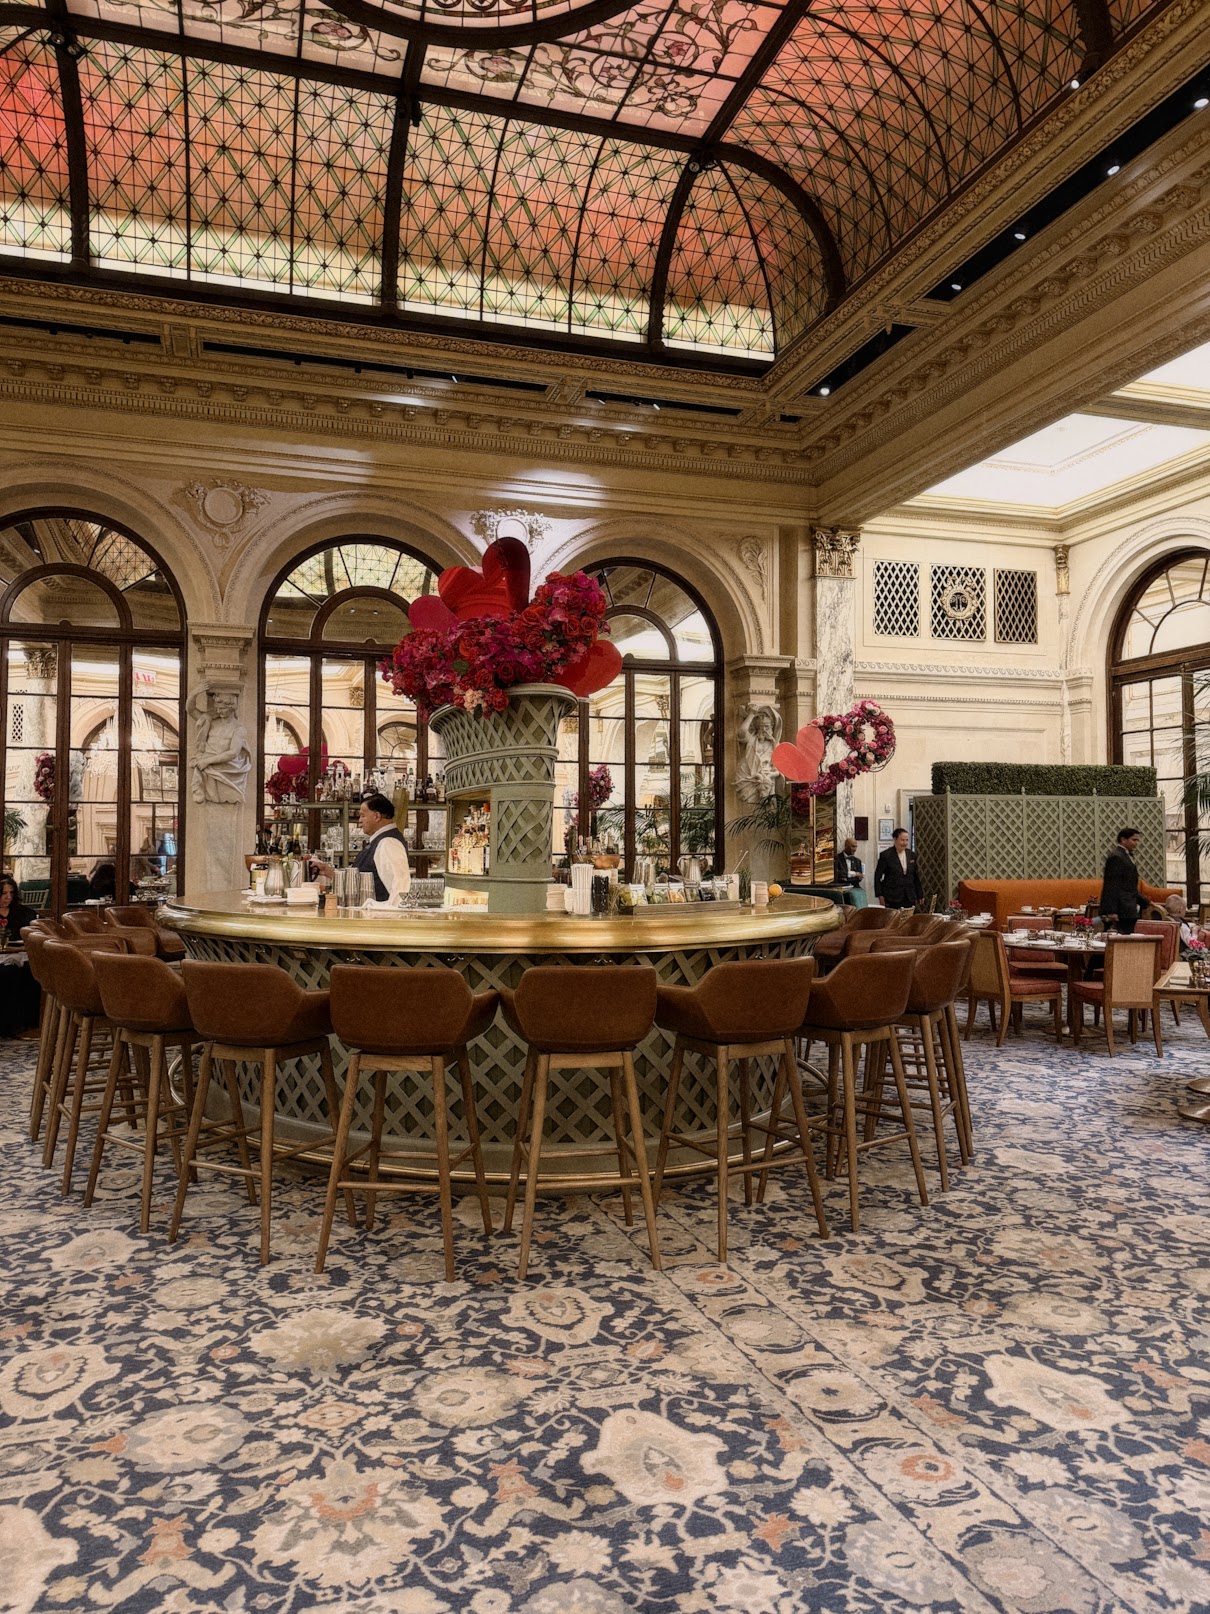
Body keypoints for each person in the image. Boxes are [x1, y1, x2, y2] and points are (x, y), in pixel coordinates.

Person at [313, 793, 410, 907]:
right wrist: (330, 872)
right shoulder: (380, 841)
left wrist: (385, 911)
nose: (359, 820)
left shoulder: (388, 843)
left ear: (377, 816)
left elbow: (400, 889)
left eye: (363, 815)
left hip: (377, 916)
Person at [0, 876, 40, 1037]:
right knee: (6, 974)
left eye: (11, 893)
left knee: (31, 972)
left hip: (18, 955)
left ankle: (27, 1024)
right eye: (4, 894)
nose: (8, 897)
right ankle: (6, 1026)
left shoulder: (22, 913)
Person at [1099, 826, 1141, 935]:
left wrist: (1145, 901)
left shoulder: (1125, 856)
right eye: (1134, 840)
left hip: (1128, 909)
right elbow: (1112, 885)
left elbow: (1129, 885)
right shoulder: (1116, 857)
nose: (1136, 843)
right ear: (1123, 839)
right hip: (1121, 910)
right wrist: (1111, 911)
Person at [874, 827, 922, 910]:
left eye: (907, 840)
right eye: (902, 840)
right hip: (892, 896)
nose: (905, 843)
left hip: (909, 895)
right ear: (895, 839)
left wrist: (920, 894)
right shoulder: (886, 855)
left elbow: (915, 876)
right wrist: (879, 894)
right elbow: (877, 877)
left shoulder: (912, 855)